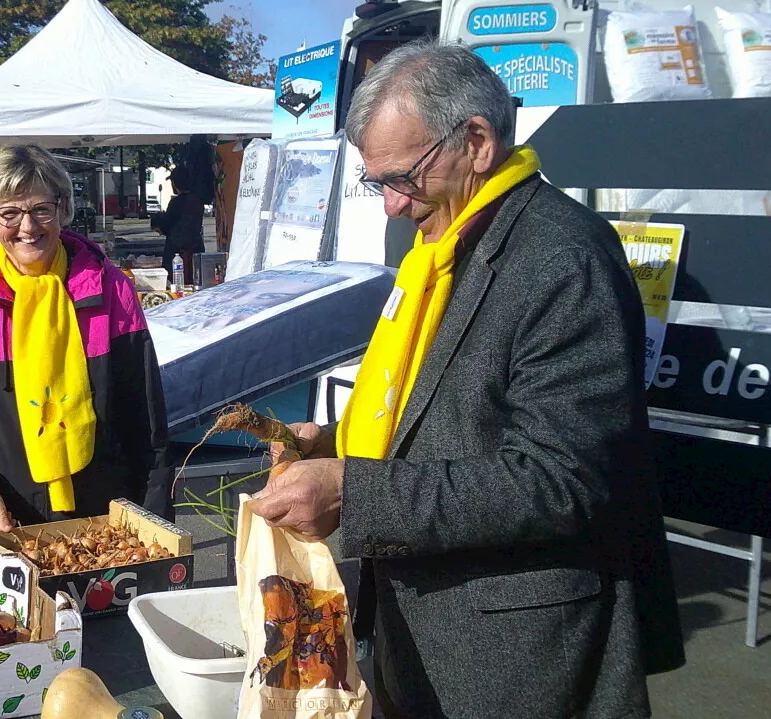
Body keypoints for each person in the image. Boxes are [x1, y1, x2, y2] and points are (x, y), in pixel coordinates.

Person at [248, 39, 684, 718]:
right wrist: (334, 444)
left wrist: (355, 492)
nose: (391, 205)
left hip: (515, 658)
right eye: (378, 182)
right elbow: (439, 410)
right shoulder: (443, 243)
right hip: (416, 633)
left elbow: (561, 477)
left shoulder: (562, 259)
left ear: (476, 141)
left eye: (401, 177)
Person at [0, 144, 171, 530]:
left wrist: (154, 525)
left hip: (104, 524)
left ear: (63, 209)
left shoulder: (111, 291)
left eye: (41, 209)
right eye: (9, 212)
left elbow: (146, 425)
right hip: (3, 522)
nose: (27, 228)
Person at [153, 167, 205, 281]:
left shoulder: (175, 203)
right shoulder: (198, 201)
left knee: (176, 282)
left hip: (176, 250)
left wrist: (158, 223)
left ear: (176, 183)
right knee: (195, 279)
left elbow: (166, 225)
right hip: (195, 247)